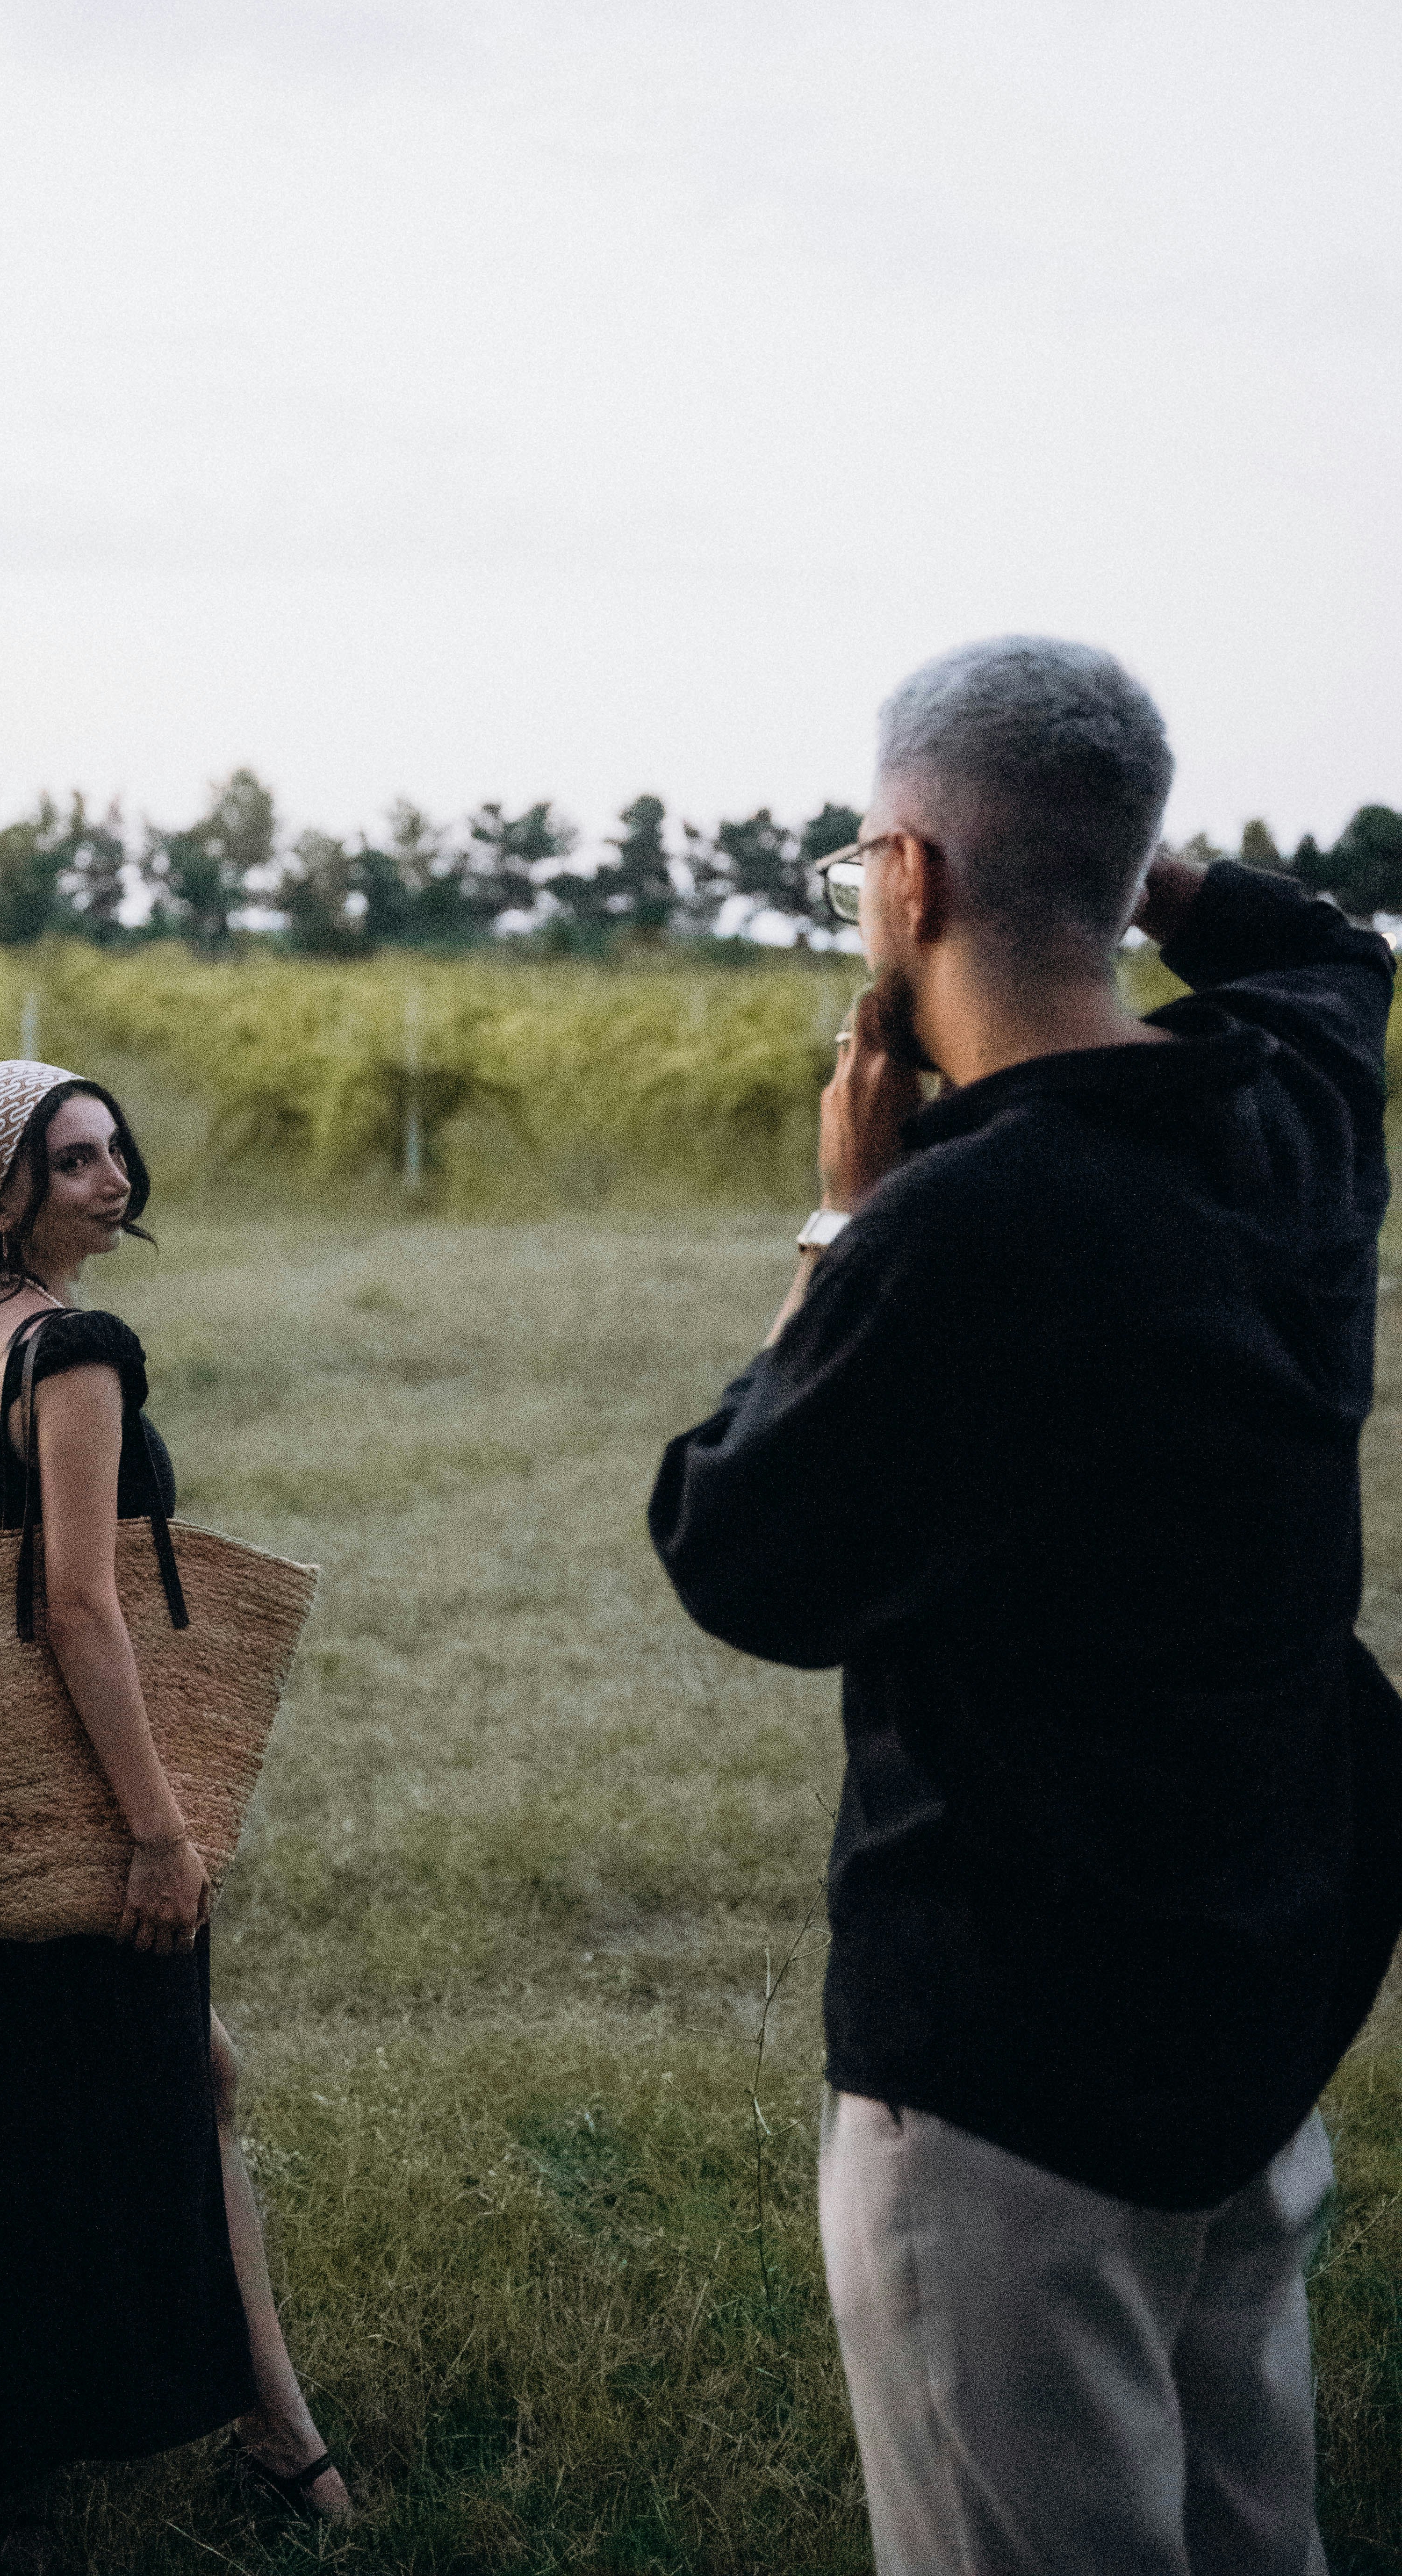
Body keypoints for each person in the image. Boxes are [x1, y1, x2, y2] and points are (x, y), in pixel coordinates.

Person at [648, 637, 1402, 2576]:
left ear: (905, 882)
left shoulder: (956, 1230)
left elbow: (736, 1551)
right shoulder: (1297, 1115)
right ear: (1125, 860)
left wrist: (834, 1218)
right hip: (1251, 2000)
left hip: (1015, 2073)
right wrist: (1131, 864)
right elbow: (1328, 954)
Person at [0, 1058, 351, 2570]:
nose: (112, 1179)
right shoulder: (73, 1350)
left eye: (115, 1150)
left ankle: (231, 2429)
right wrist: (155, 1830)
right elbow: (81, 1603)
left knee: (120, 2091)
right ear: (2, 1191)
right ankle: (266, 2440)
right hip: (90, 1794)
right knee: (147, 2094)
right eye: (72, 1162)